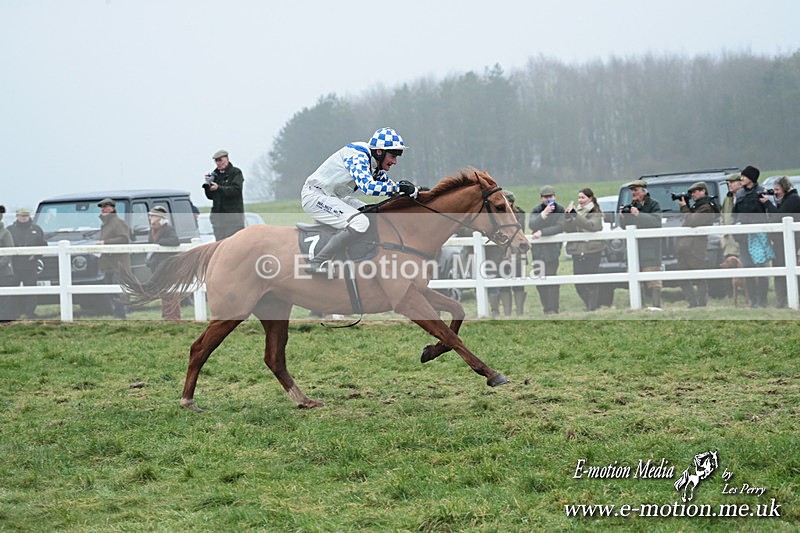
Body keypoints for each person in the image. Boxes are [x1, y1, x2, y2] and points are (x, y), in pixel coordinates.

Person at [301, 127, 418, 274]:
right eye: (393, 156)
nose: (395, 161)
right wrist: (398, 188)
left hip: (333, 197)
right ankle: (318, 262)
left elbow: (387, 187)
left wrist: (416, 191)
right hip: (315, 196)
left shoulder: (375, 164)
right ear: (379, 152)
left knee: (372, 214)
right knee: (360, 222)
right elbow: (368, 187)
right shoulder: (358, 155)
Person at [619, 180, 663, 309]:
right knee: (635, 278)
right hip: (634, 249)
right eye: (632, 191)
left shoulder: (654, 204)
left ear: (644, 191)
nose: (633, 193)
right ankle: (640, 306)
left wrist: (638, 214)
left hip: (651, 249)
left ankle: (656, 306)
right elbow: (624, 227)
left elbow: (656, 222)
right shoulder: (631, 205)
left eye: (636, 190)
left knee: (653, 278)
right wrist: (623, 217)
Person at [675, 182, 719, 308]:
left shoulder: (706, 207)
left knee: (699, 276)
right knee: (682, 276)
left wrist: (684, 207)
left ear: (703, 191)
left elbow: (692, 221)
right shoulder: (698, 206)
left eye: (695, 192)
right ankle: (692, 303)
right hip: (686, 246)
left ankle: (701, 303)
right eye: (691, 192)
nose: (692, 194)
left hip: (696, 246)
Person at [732, 165, 770, 307]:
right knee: (747, 267)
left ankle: (762, 299)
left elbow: (768, 212)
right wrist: (735, 231)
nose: (741, 178)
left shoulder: (762, 192)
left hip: (759, 236)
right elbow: (734, 215)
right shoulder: (740, 194)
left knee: (761, 267)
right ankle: (753, 299)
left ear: (752, 178)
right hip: (744, 237)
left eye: (744, 176)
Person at [563, 188, 606, 311]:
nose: (580, 200)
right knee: (579, 284)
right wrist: (567, 218)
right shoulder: (577, 212)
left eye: (583, 197)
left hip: (592, 251)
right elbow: (567, 229)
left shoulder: (595, 211)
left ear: (590, 198)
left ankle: (592, 309)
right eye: (579, 198)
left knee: (592, 282)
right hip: (577, 251)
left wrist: (576, 216)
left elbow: (593, 226)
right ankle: (592, 306)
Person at [487, 191, 527, 317]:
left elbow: (518, 232)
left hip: (516, 254)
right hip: (498, 256)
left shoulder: (519, 214)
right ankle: (507, 313)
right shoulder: (495, 216)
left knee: (518, 283)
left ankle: (520, 312)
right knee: (503, 284)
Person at [763, 176, 800, 308]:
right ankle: (782, 299)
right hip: (781, 241)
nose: (775, 192)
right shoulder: (787, 199)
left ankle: (786, 300)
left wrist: (767, 203)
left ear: (784, 188)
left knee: (787, 269)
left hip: (791, 242)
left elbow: (780, 216)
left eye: (777, 189)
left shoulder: (793, 200)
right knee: (780, 269)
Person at [529, 185, 565, 314]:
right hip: (537, 252)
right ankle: (546, 308)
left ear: (554, 196)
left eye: (550, 196)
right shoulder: (536, 210)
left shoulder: (560, 209)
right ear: (541, 198)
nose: (548, 199)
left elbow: (560, 227)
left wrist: (542, 232)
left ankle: (553, 309)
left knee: (551, 280)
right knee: (539, 282)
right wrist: (543, 214)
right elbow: (532, 224)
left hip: (552, 252)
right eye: (545, 197)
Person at [7, 207, 46, 319]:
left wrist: (36, 255)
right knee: (13, 289)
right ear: (17, 216)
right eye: (21, 216)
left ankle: (30, 312)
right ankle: (15, 312)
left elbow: (43, 245)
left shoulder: (37, 229)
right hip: (14, 265)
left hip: (30, 265)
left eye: (26, 216)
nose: (23, 218)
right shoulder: (10, 229)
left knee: (31, 289)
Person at [146, 206, 182, 320]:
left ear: (159, 217)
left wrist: (159, 243)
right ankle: (166, 315)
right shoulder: (151, 230)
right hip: (157, 265)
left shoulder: (168, 229)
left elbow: (175, 241)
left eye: (153, 216)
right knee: (163, 291)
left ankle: (174, 316)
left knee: (171, 291)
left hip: (168, 266)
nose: (150, 218)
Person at [97, 198, 131, 319]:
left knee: (118, 290)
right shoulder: (105, 224)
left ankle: (120, 314)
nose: (103, 209)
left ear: (112, 208)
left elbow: (124, 239)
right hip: (108, 265)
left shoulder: (118, 222)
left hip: (118, 264)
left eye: (106, 207)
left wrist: (105, 243)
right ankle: (117, 313)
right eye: (102, 207)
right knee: (111, 290)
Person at [203, 149, 245, 241]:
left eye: (220, 160)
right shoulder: (215, 176)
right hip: (218, 220)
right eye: (216, 161)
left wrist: (219, 188)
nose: (218, 163)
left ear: (227, 159)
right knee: (219, 246)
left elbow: (236, 190)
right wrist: (208, 186)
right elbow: (210, 196)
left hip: (233, 220)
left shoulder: (236, 173)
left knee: (232, 245)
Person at [720, 173, 743, 259]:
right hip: (728, 240)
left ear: (740, 183)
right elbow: (722, 216)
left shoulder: (744, 197)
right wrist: (723, 232)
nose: (729, 184)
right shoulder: (727, 199)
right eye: (728, 182)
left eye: (732, 182)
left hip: (741, 239)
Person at [0, 205, 14, 322]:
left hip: (4, 271)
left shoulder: (5, 233)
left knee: (4, 296)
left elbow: (9, 252)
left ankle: (5, 319)